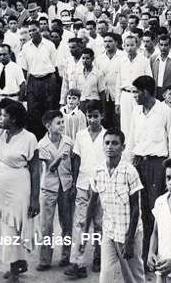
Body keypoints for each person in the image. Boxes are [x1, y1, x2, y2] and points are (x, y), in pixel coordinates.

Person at [0, 99, 40, 282]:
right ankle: (16, 263)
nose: (0, 117)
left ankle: (14, 270)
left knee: (13, 229)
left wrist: (35, 199)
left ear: (14, 118)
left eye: (4, 115)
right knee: (3, 229)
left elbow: (35, 170)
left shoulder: (29, 138)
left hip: (18, 190)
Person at [127, 75, 171, 267]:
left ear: (146, 92)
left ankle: (157, 255)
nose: (134, 96)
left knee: (156, 210)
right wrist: (127, 164)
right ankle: (143, 255)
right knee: (139, 211)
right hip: (139, 164)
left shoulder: (165, 111)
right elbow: (131, 140)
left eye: (136, 92)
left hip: (158, 165)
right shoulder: (136, 112)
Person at [85, 128, 145, 283]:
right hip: (109, 232)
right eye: (107, 143)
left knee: (133, 277)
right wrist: (85, 231)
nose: (110, 147)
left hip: (129, 234)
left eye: (115, 143)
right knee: (105, 276)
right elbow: (92, 202)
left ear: (123, 147)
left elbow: (135, 208)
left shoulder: (130, 172)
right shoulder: (98, 171)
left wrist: (130, 239)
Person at [66, 101, 105, 279]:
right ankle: (78, 262)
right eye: (89, 116)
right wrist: (74, 182)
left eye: (95, 116)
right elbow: (76, 160)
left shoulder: (107, 136)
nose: (92, 119)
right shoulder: (81, 135)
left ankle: (98, 257)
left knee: (99, 224)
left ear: (102, 116)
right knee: (80, 223)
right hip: (82, 183)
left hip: (102, 186)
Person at [36, 110, 74, 271]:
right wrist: (59, 158)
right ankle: (44, 259)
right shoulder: (42, 144)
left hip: (66, 185)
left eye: (62, 122)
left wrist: (74, 184)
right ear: (48, 126)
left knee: (67, 222)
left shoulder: (69, 141)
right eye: (58, 123)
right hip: (49, 187)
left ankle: (66, 256)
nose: (62, 125)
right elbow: (51, 168)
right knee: (46, 224)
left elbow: (75, 163)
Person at [18, 20, 59, 138]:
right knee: (33, 112)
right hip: (33, 81)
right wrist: (24, 89)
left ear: (39, 29)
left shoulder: (49, 45)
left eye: (34, 30)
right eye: (29, 31)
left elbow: (54, 65)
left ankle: (50, 138)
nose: (31, 33)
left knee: (49, 110)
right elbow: (24, 70)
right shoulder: (25, 47)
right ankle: (36, 141)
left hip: (48, 80)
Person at [115, 34, 152, 135]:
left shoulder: (144, 61)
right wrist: (117, 102)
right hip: (125, 95)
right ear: (124, 46)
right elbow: (118, 82)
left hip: (139, 95)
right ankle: (127, 147)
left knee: (139, 121)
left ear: (137, 45)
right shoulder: (121, 61)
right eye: (127, 45)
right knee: (125, 124)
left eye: (132, 45)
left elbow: (149, 80)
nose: (129, 48)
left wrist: (147, 98)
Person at [0, 44, 25, 113]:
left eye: (4, 54)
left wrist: (20, 101)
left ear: (9, 54)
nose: (2, 57)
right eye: (0, 55)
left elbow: (22, 85)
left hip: (12, 98)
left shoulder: (16, 68)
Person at [149, 35, 171, 101]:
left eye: (166, 45)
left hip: (170, 94)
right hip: (155, 93)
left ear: (170, 46)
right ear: (158, 46)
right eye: (161, 45)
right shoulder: (153, 59)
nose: (163, 47)